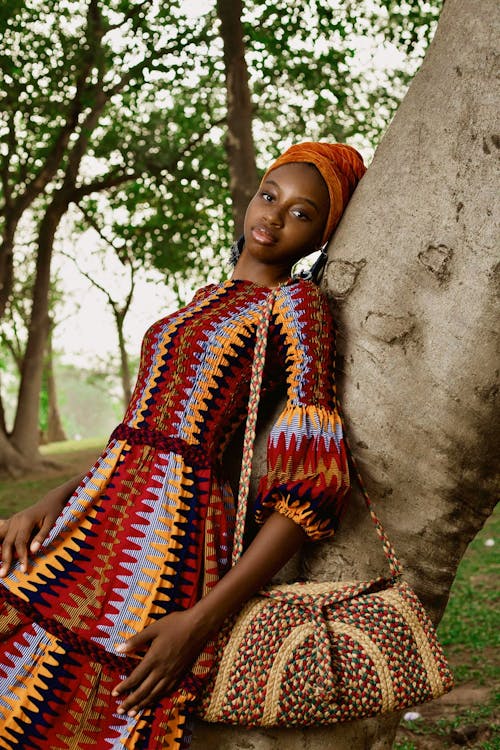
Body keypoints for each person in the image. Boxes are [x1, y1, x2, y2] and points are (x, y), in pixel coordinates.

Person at [0, 142, 366, 749]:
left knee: (102, 706)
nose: (272, 217)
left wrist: (199, 623)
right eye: (269, 195)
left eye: (301, 214)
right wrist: (51, 501)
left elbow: (311, 491)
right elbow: (139, 436)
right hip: (98, 512)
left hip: (166, 534)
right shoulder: (203, 299)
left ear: (321, 236)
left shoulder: (297, 306)